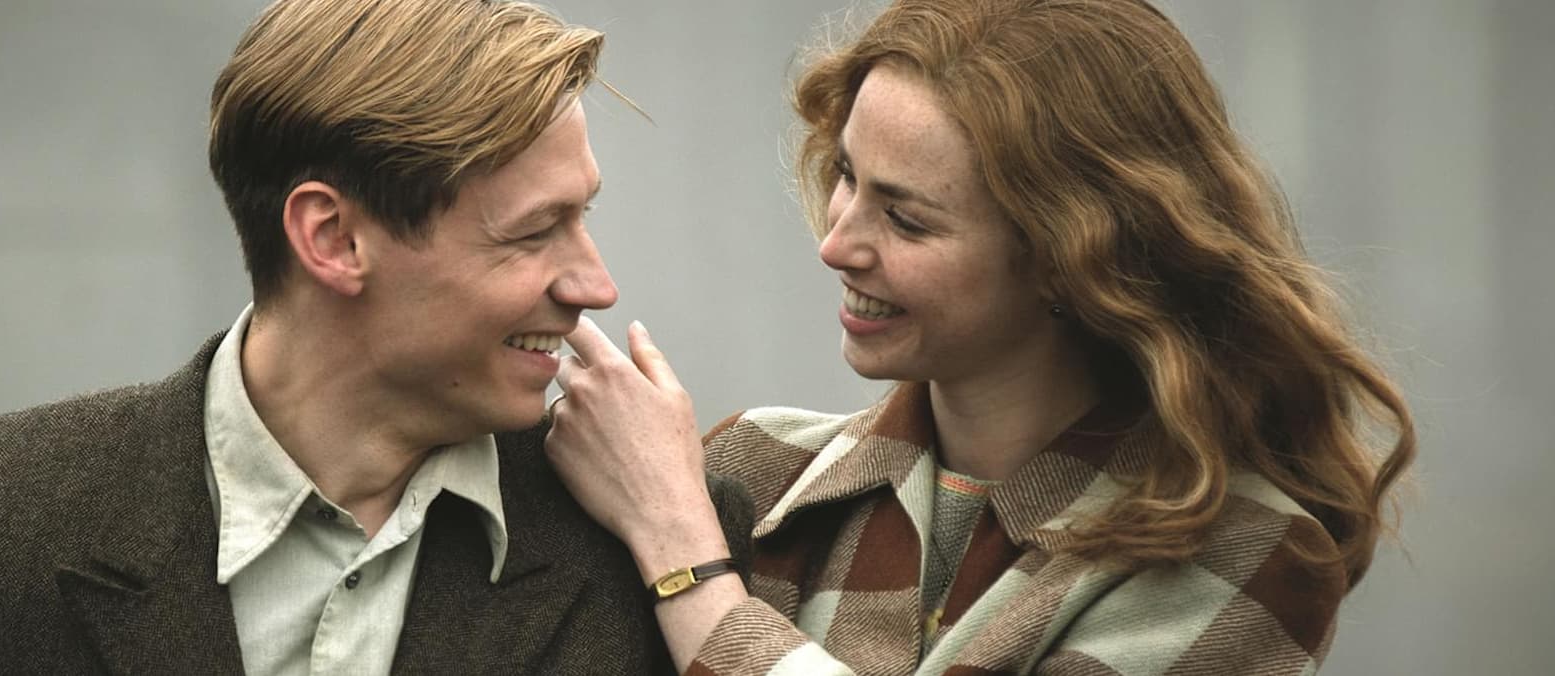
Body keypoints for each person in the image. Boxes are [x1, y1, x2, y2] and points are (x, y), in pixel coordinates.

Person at [544, 0, 1417, 673]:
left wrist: (689, 570)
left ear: (1073, 256)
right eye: (846, 175)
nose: (837, 243)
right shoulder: (749, 473)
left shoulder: (1240, 553)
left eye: (907, 219)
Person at [0, 1, 707, 673]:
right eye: (534, 231)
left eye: (582, 217)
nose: (595, 286)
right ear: (332, 238)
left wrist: (685, 555)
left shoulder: (669, 545)